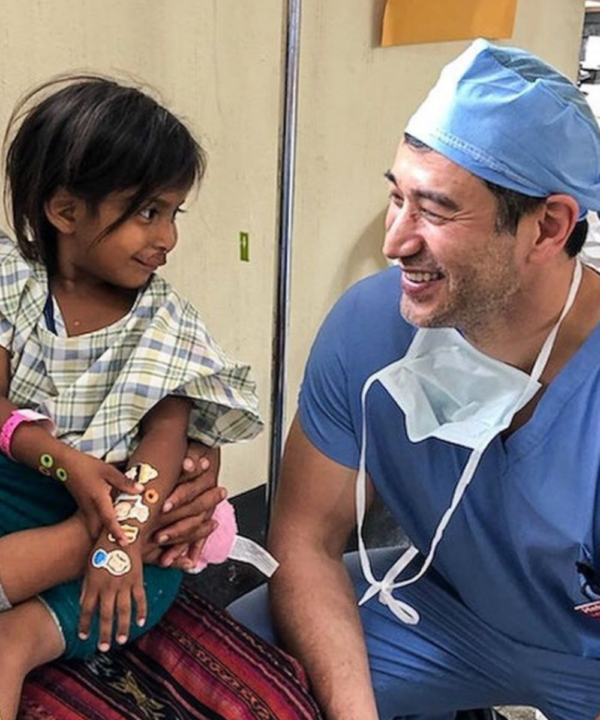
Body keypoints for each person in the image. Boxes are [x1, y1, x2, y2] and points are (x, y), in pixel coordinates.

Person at [230, 39, 600, 720]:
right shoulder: (369, 329)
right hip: (440, 611)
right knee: (240, 669)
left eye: (434, 211)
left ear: (548, 226)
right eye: (395, 198)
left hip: (588, 664)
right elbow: (308, 539)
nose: (395, 241)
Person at [0, 75, 263, 720]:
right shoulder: (13, 283)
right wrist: (61, 461)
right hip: (22, 488)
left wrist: (117, 546)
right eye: (148, 212)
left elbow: (167, 440)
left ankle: (25, 629)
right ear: (64, 212)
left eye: (174, 212)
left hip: (127, 518)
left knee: (8, 648)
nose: (168, 237)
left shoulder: (167, 325)